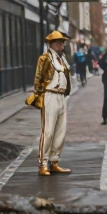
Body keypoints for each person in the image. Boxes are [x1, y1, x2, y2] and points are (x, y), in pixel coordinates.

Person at [31, 31, 73, 176]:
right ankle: (42, 162)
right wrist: (39, 96)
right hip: (50, 95)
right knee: (48, 131)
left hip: (61, 96)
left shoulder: (62, 59)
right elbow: (38, 78)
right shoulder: (45, 58)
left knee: (60, 131)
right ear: (52, 44)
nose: (61, 45)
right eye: (59, 43)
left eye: (62, 43)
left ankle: (55, 161)